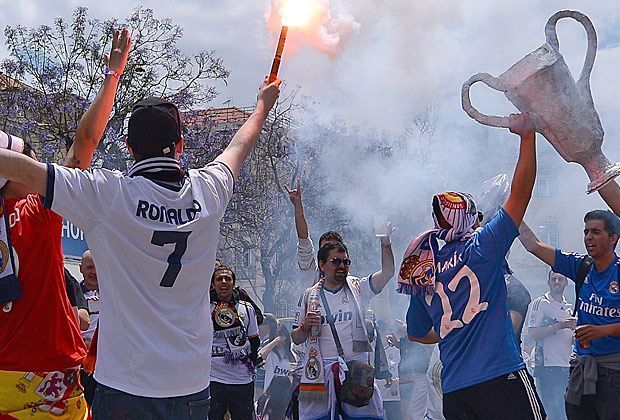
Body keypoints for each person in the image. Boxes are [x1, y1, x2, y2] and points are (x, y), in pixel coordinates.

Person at [0, 60, 281, 417]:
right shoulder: (209, 190)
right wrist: (261, 106)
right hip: (191, 383)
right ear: (180, 145)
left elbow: (28, 168)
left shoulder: (107, 194)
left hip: (124, 386)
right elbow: (238, 147)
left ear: (130, 148)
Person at [0, 29, 131, 418]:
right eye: (26, 159)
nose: (37, 165)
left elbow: (82, 145)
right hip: (45, 374)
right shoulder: (36, 208)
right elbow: (84, 146)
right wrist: (112, 76)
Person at [400, 113, 545, 420]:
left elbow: (416, 333)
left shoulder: (425, 267)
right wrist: (527, 136)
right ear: (470, 219)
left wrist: (453, 330)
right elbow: (521, 193)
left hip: (455, 391)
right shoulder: (481, 247)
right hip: (500, 377)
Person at [519, 211, 620, 420]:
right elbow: (533, 245)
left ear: (613, 238)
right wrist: (510, 210)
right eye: (586, 232)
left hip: (613, 370)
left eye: (596, 232)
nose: (588, 237)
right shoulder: (581, 266)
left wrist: (602, 330)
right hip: (580, 368)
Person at [291, 238, 395, 420]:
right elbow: (296, 338)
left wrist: (385, 242)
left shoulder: (358, 288)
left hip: (356, 372)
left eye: (345, 261)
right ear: (322, 265)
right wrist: (305, 326)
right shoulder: (309, 296)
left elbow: (387, 273)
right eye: (336, 261)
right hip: (321, 375)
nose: (342, 265)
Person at [209, 266, 260, 419]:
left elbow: (254, 342)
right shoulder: (204, 308)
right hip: (214, 378)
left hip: (242, 379)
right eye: (219, 279)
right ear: (212, 285)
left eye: (228, 279)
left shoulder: (247, 308)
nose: (224, 282)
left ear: (234, 284)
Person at [528, 271, 574, 420]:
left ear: (566, 282)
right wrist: (559, 326)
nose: (556, 282)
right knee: (553, 412)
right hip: (548, 367)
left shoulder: (570, 306)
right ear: (548, 282)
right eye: (553, 279)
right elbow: (533, 332)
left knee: (567, 411)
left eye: (560, 279)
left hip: (567, 366)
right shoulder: (541, 303)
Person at [257, 323, 296, 419]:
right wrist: (275, 341)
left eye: (283, 337)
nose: (282, 341)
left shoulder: (292, 356)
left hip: (286, 398)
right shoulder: (270, 354)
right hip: (270, 398)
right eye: (278, 337)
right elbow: (260, 356)